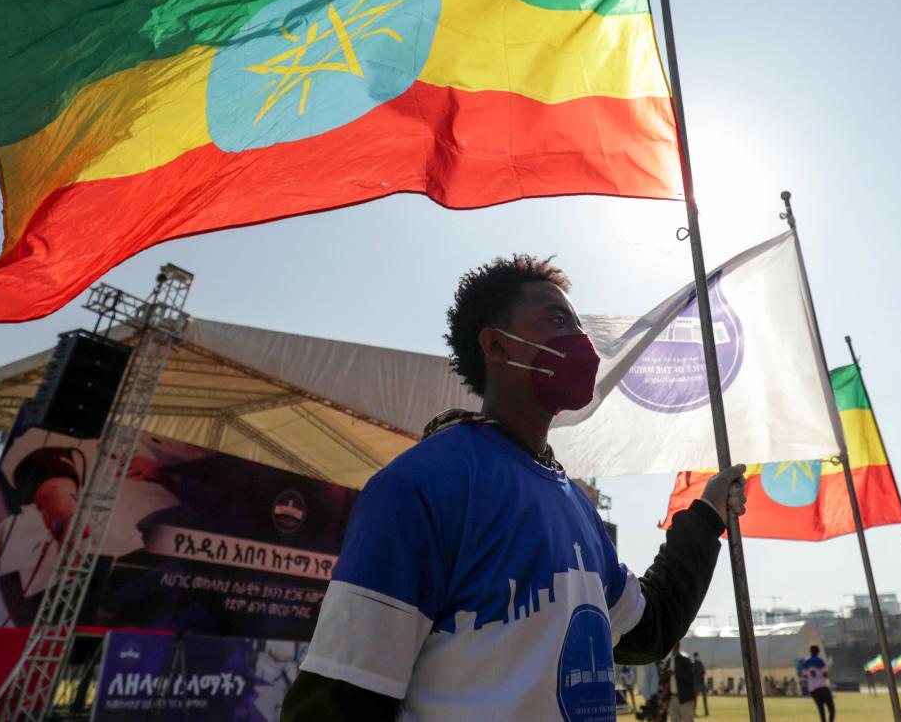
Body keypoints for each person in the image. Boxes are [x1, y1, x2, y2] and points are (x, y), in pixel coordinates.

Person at [281, 255, 748, 721]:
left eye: (578, 325)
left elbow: (650, 629)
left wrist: (705, 518)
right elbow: (336, 703)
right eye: (556, 319)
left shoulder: (575, 503)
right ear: (498, 346)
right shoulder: (418, 486)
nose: (581, 341)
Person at [802, 643, 835, 722]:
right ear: (818, 652)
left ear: (810, 652)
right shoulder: (820, 661)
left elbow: (805, 676)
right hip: (821, 685)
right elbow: (825, 674)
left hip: (812, 688)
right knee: (831, 707)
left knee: (821, 708)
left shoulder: (806, 662)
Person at [669, 642, 697, 722]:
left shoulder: (685, 659)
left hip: (685, 698)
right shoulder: (670, 659)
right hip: (673, 697)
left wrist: (676, 674)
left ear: (677, 646)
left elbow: (691, 677)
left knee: (688, 720)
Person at [692, 651, 708, 717]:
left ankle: (694, 712)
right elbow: (704, 672)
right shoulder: (700, 663)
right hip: (701, 683)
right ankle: (706, 712)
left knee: (695, 699)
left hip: (696, 684)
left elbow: (692, 673)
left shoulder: (693, 664)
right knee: (704, 699)